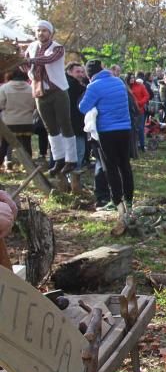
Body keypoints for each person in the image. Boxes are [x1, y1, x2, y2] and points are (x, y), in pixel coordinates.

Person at [78, 59, 135, 234]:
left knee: (110, 166)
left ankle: (116, 200)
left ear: (89, 74)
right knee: (125, 164)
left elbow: (83, 107)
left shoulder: (94, 87)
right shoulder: (118, 81)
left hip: (106, 131)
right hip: (125, 128)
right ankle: (129, 199)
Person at [22, 20, 78, 174]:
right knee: (50, 127)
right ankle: (59, 159)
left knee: (65, 123)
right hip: (40, 92)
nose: (41, 33)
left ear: (50, 33)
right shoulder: (31, 47)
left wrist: (30, 61)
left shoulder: (58, 47)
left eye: (44, 30)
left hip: (58, 90)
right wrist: (25, 65)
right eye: (38, 30)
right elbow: (24, 63)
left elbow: (49, 59)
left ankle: (71, 160)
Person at [0, 70, 36, 168]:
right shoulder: (31, 88)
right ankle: (30, 167)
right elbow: (35, 106)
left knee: (3, 146)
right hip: (27, 122)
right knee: (27, 145)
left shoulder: (4, 88)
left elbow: (0, 105)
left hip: (9, 122)